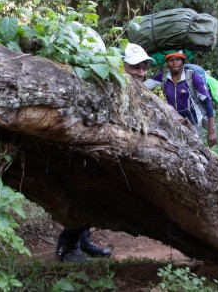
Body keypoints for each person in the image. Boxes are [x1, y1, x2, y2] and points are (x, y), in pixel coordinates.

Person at [55, 42, 155, 262]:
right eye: (136, 67)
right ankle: (68, 247)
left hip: (109, 157)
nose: (142, 72)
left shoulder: (133, 90)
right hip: (90, 155)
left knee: (97, 197)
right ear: (121, 66)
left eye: (144, 67)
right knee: (88, 197)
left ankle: (83, 242)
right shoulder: (107, 87)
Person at [145, 51, 217, 147]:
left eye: (177, 59)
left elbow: (207, 101)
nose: (174, 63)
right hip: (174, 120)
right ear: (167, 62)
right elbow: (144, 85)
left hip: (193, 121)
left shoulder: (192, 76)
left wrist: (211, 131)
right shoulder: (164, 76)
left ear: (182, 61)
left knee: (195, 148)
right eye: (171, 60)